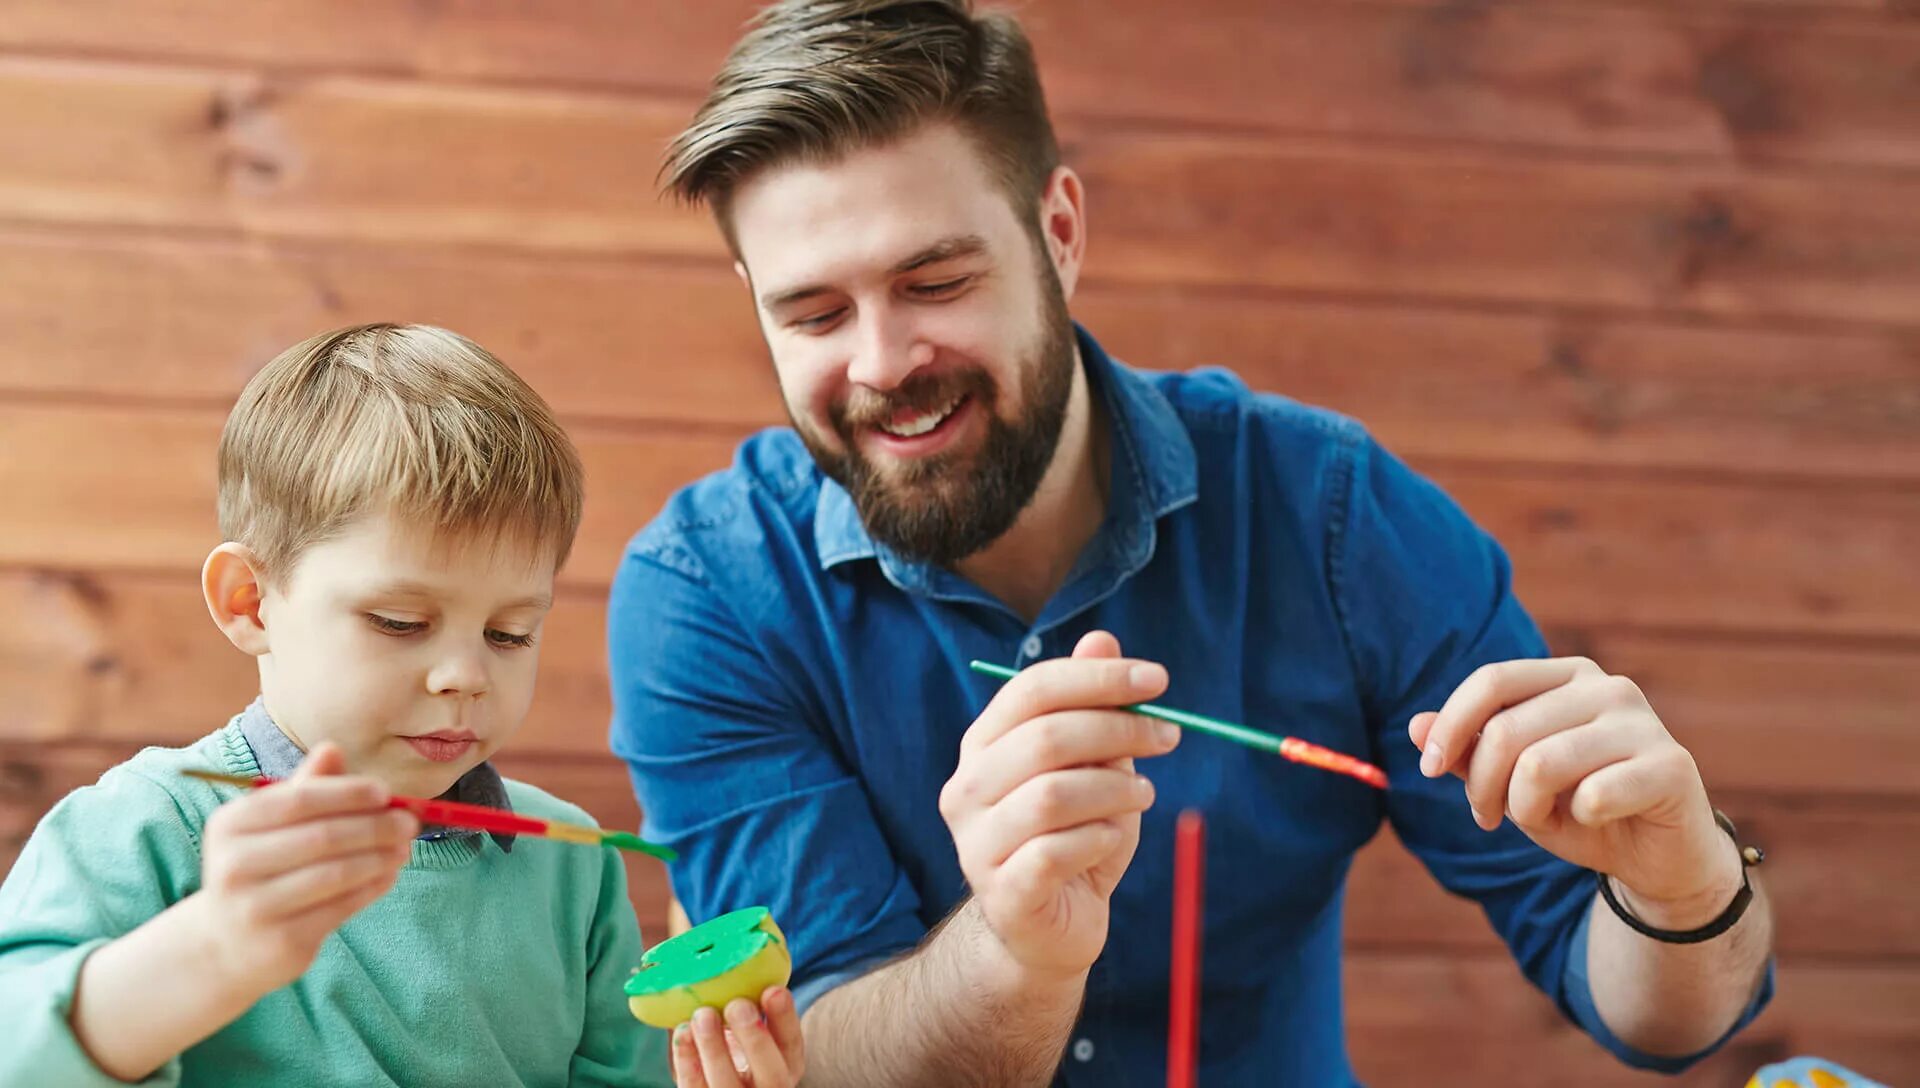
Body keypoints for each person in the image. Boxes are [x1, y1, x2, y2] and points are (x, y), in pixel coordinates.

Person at [609, 2, 1775, 1083]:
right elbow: (822, 1049)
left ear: (1057, 234)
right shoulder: (708, 590)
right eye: (813, 314)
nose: (878, 363)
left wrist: (1684, 883)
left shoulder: (1328, 514)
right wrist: (1016, 950)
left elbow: (1663, 1013)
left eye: (936, 280)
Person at [0, 324, 802, 1088]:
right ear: (250, 603)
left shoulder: (573, 865)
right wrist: (212, 949)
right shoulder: (140, 832)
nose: (464, 675)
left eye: (510, 633)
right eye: (400, 623)